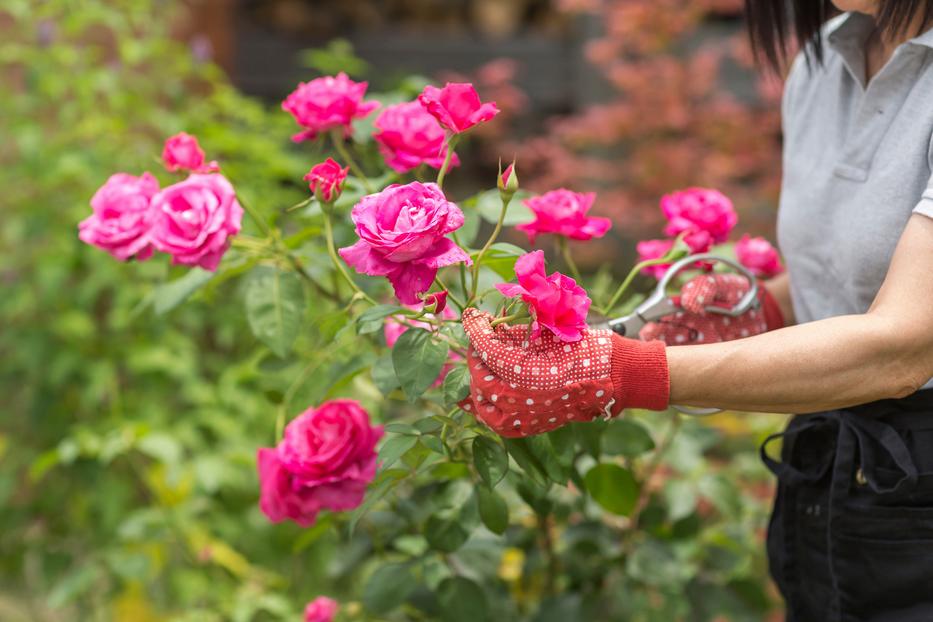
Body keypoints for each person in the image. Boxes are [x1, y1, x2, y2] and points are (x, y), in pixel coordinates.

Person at [459, 1, 933, 620]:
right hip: (830, 471)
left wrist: (621, 372)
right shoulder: (823, 62)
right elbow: (848, 274)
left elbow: (904, 346)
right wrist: (749, 306)